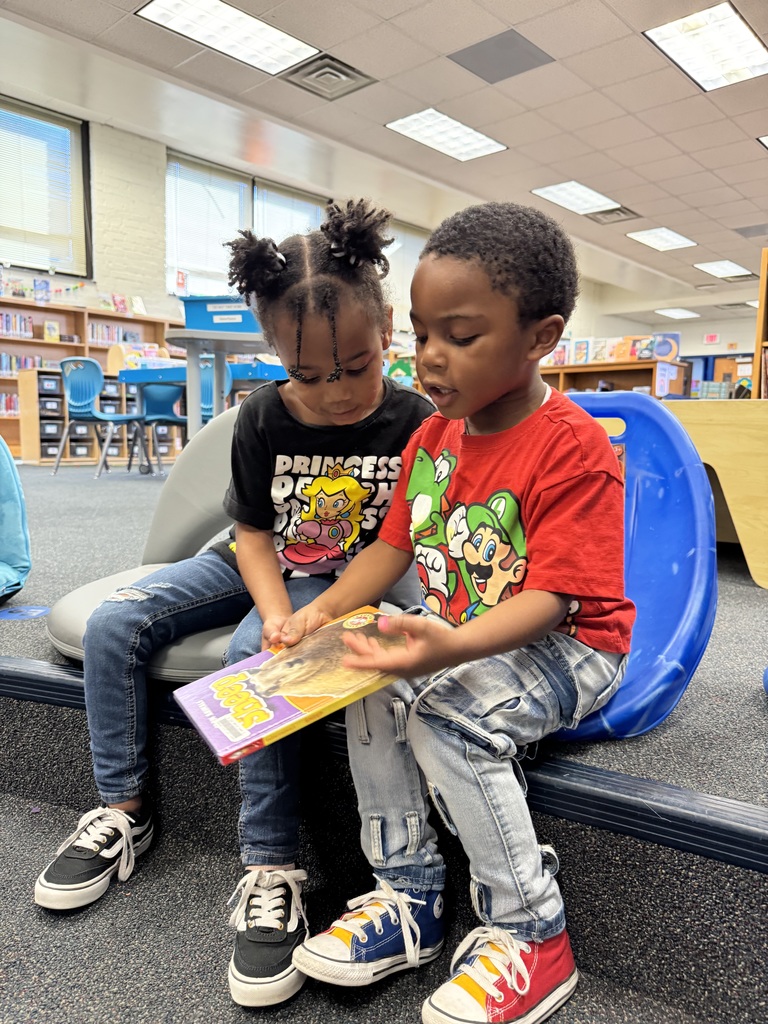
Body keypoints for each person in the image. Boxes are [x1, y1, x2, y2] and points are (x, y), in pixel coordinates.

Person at [33, 199, 434, 1009]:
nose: (334, 393)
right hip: (256, 562)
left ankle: (270, 862)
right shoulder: (261, 416)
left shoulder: (414, 420)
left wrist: (305, 618)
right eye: (307, 375)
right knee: (115, 625)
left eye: (355, 367)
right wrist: (279, 602)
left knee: (258, 656)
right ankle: (124, 811)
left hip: (352, 576)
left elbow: (401, 546)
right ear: (274, 353)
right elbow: (249, 534)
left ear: (386, 329)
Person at [275, 202, 636, 1024]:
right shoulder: (433, 438)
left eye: (460, 337)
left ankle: (532, 932)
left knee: (443, 717)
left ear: (540, 337)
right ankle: (409, 896)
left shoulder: (570, 446)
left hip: (570, 646)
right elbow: (390, 550)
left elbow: (554, 600)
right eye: (420, 332)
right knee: (360, 678)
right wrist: (323, 612)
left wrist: (450, 649)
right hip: (461, 637)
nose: (429, 360)